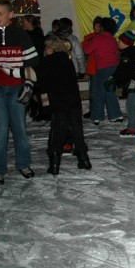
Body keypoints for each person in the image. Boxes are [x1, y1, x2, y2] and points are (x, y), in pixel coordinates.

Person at [0, 0, 40, 186]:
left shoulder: (21, 35)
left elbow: (33, 62)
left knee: (19, 127)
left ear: (11, 15)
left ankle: (24, 163)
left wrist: (28, 83)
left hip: (16, 86)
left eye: (1, 13)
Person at [38, 35, 92, 174]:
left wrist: (45, 105)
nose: (45, 50)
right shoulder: (67, 61)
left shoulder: (47, 62)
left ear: (51, 48)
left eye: (46, 47)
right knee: (76, 129)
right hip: (73, 100)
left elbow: (43, 85)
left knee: (58, 130)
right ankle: (84, 159)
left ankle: (55, 164)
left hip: (58, 101)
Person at [82, 17, 123, 125]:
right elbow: (117, 53)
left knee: (99, 91)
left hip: (102, 67)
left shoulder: (98, 38)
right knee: (109, 90)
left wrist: (85, 43)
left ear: (102, 27)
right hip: (113, 67)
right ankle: (115, 115)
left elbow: (87, 51)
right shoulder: (113, 39)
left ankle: (97, 116)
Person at [108, 30, 135, 137]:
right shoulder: (124, 53)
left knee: (130, 105)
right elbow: (121, 70)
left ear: (125, 42)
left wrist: (133, 82)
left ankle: (133, 127)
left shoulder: (134, 52)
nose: (118, 43)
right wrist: (113, 78)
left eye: (119, 41)